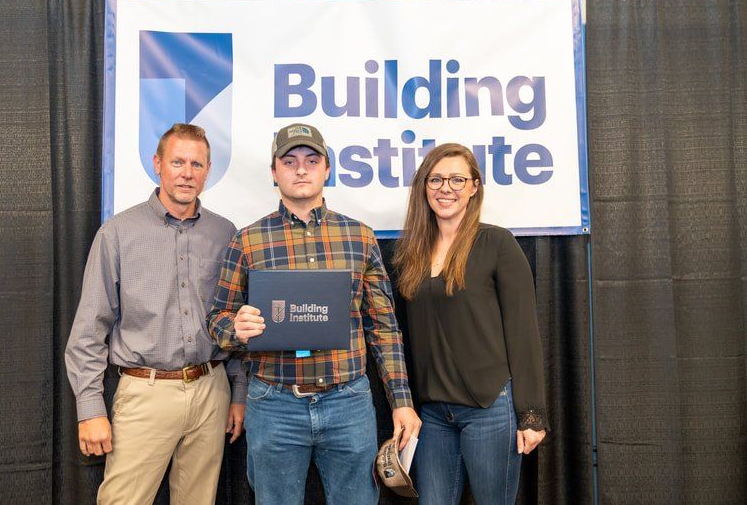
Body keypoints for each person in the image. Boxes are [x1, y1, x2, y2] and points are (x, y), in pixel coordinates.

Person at [208, 123, 421, 505]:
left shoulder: (360, 237)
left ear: (327, 169)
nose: (301, 169)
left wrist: (401, 401)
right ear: (274, 173)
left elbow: (384, 328)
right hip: (273, 405)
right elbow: (216, 320)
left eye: (311, 160)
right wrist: (235, 327)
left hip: (348, 402)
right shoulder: (247, 240)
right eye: (289, 161)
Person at [65, 123, 246, 504]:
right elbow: (89, 329)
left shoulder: (225, 233)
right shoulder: (117, 233)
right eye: (177, 162)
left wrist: (238, 392)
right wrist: (90, 408)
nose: (187, 173)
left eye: (197, 164)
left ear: (208, 170)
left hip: (211, 388)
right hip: (144, 392)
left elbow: (233, 318)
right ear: (157, 164)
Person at [391, 143, 549, 505]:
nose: (446, 188)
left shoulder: (497, 243)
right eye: (436, 179)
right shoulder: (410, 252)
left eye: (457, 179)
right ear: (423, 186)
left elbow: (524, 334)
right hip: (432, 415)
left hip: (489, 409)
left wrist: (532, 415)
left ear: (475, 187)